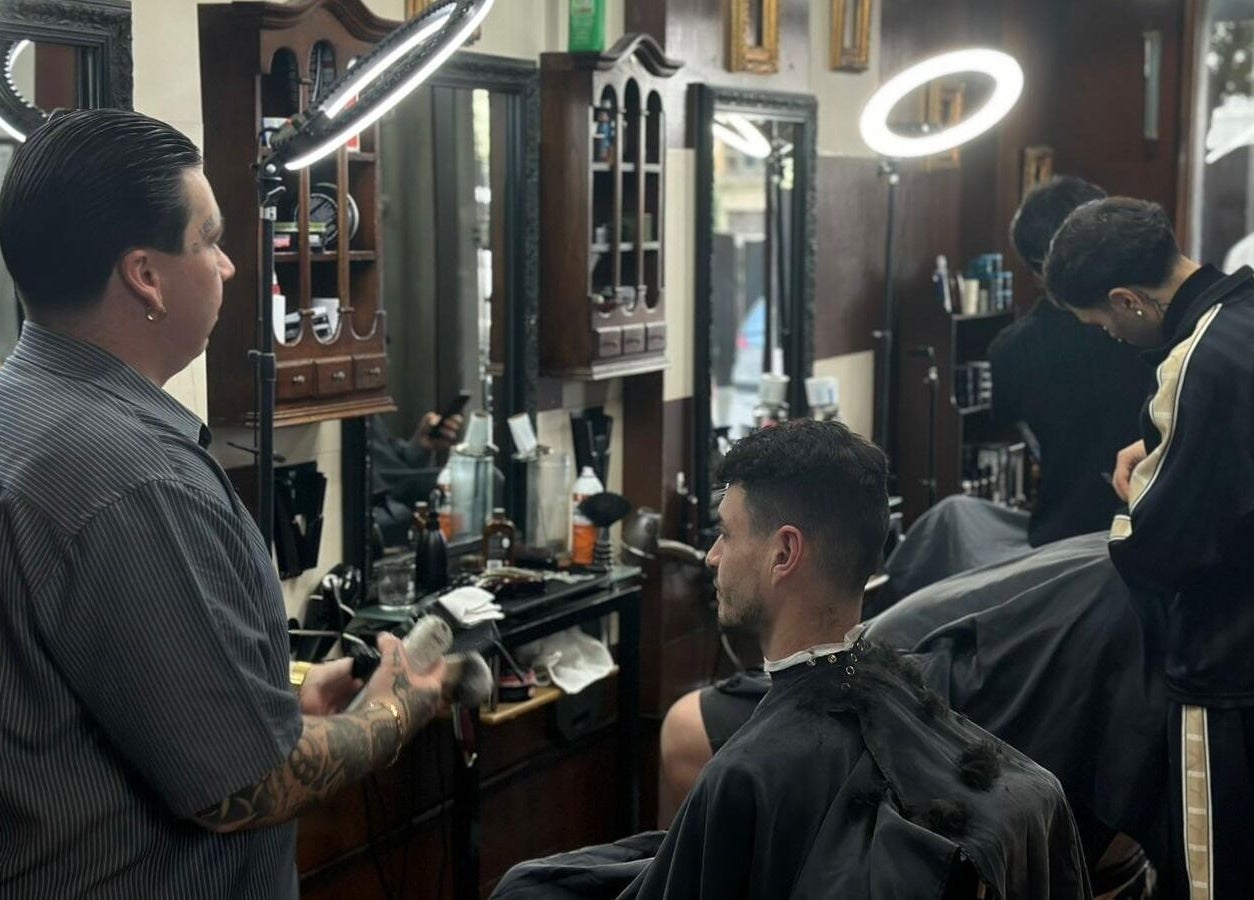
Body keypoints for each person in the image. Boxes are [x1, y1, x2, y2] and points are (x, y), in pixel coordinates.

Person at [0, 109, 451, 898]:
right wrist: (395, 710)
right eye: (209, 240)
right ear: (145, 275)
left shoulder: (21, 412)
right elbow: (244, 789)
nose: (230, 265)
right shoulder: (133, 477)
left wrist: (273, 708)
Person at [495, 420, 1089, 899]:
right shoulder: (914, 707)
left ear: (783, 553)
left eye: (727, 534)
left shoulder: (744, 776)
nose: (712, 556)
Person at [1045, 196, 1254, 898]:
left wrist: (1142, 489)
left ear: (1127, 300)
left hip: (1226, 665)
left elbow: (1158, 545)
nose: (1112, 335)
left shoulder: (1199, 361)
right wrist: (1171, 447)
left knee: (1215, 875)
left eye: (1104, 323)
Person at [989, 175, 1154, 547]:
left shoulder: (1009, 350)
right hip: (1153, 531)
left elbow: (1012, 426)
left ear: (1033, 267)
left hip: (1059, 538)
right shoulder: (1154, 329)